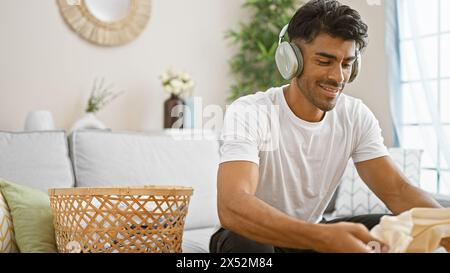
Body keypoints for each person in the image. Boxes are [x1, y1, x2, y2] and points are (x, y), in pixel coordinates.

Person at [210, 0, 450, 253]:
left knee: (401, 228)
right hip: (256, 237)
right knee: (244, 243)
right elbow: (232, 205)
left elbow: (398, 191)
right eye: (324, 61)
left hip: (314, 234)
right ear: (291, 60)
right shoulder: (251, 111)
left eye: (347, 64)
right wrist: (321, 237)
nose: (338, 77)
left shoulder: (355, 115)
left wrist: (444, 227)